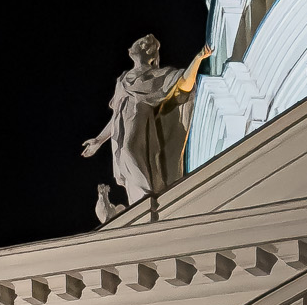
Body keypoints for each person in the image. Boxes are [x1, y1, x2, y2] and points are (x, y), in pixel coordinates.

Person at [81, 35, 212, 206]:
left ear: (148, 52)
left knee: (129, 151)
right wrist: (98, 140)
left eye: (142, 44)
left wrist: (197, 59)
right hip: (121, 130)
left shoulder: (156, 75)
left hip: (140, 122)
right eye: (139, 42)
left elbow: (183, 85)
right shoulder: (122, 80)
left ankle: (147, 197)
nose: (136, 45)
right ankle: (140, 202)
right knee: (125, 160)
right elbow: (116, 117)